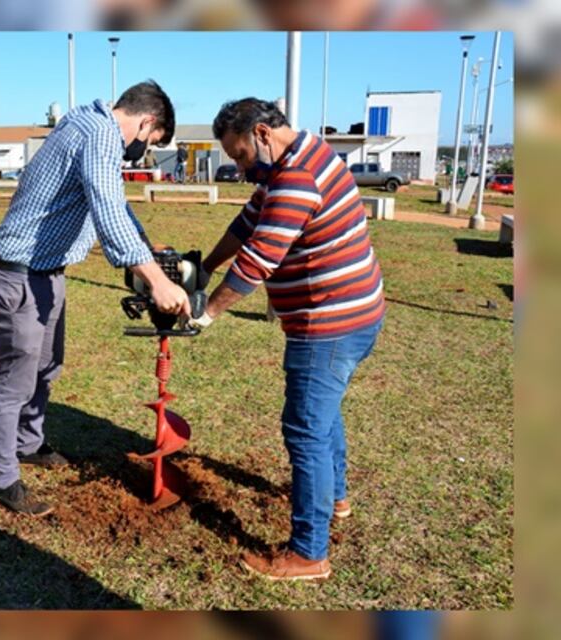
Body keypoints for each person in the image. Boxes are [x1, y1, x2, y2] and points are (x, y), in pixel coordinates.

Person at [187, 98, 385, 580]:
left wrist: (207, 313)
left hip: (330, 324)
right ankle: (335, 498)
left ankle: (309, 554)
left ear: (261, 133)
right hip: (357, 312)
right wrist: (204, 267)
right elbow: (246, 224)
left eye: (239, 155)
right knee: (323, 414)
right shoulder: (302, 155)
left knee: (304, 430)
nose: (238, 167)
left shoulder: (295, 178)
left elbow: (258, 260)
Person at [0, 80, 191, 517]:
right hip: (18, 277)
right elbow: (108, 209)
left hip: (47, 273)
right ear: (148, 121)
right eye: (149, 142)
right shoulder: (99, 133)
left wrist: (148, 252)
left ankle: (29, 443)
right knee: (15, 381)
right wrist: (156, 280)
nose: (143, 151)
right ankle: (2, 477)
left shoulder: (88, 124)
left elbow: (115, 202)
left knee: (47, 366)